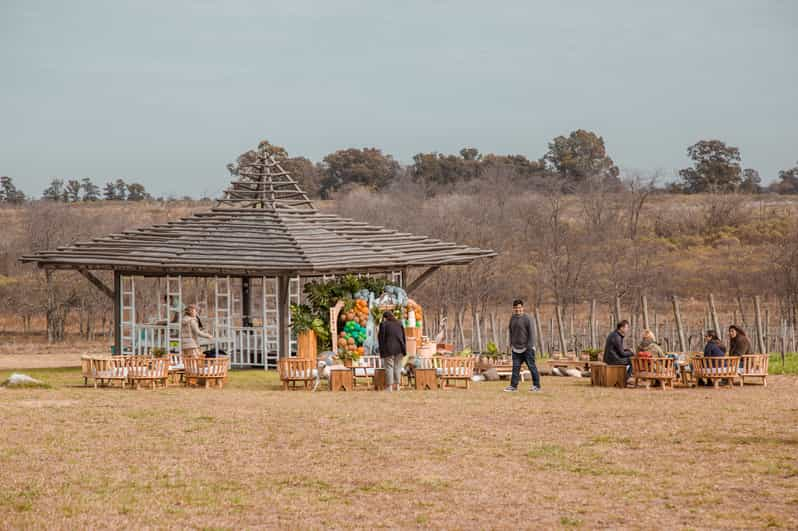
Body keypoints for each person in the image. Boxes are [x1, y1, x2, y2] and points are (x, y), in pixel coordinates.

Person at [504, 299, 541, 392]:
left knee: (532, 367)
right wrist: (510, 344)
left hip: (527, 348)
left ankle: (536, 386)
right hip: (516, 349)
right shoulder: (512, 318)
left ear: (522, 308)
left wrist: (529, 346)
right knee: (515, 368)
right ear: (513, 308)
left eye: (519, 307)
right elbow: (511, 332)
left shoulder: (528, 318)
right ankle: (513, 386)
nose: (518, 309)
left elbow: (532, 333)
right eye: (516, 308)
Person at [378, 311, 406, 392]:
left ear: (384, 317)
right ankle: (397, 386)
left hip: (388, 349)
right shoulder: (399, 323)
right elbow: (403, 337)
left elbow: (381, 339)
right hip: (400, 348)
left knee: (389, 367)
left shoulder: (383, 324)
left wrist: (381, 350)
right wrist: (404, 349)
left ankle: (389, 387)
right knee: (398, 367)